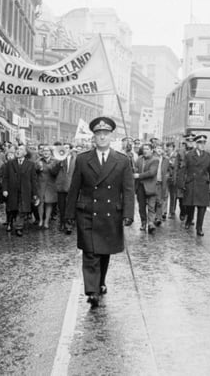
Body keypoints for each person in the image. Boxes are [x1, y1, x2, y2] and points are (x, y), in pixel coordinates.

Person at [65, 116, 134, 308]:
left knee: (104, 253)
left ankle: (100, 281)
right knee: (90, 253)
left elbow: (128, 189)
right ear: (93, 137)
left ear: (111, 136)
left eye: (105, 134)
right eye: (98, 134)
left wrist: (129, 213)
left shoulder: (122, 160)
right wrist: (68, 215)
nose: (102, 137)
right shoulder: (82, 159)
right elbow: (74, 189)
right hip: (87, 213)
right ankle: (92, 291)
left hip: (111, 213)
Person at [180, 134, 210, 236]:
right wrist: (181, 183)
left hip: (203, 184)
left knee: (202, 207)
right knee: (190, 205)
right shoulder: (189, 155)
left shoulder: (208, 156)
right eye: (200, 143)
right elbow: (183, 169)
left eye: (204, 143)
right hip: (191, 183)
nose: (202, 145)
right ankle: (189, 220)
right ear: (196, 144)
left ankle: (199, 228)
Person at [1, 144, 38, 237]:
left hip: (25, 190)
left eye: (21, 149)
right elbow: (5, 178)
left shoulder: (30, 164)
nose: (18, 151)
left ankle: (19, 227)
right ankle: (11, 222)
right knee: (13, 208)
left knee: (22, 210)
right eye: (17, 149)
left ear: (25, 153)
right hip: (12, 190)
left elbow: (33, 180)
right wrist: (4, 189)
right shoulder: (10, 163)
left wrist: (34, 193)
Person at [134, 142, 159, 233]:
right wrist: (134, 170)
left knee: (151, 206)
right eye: (144, 149)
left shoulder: (155, 160)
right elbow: (135, 168)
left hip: (151, 186)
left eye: (147, 149)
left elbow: (152, 173)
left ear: (152, 150)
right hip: (140, 187)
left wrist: (139, 175)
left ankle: (151, 223)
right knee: (141, 207)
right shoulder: (139, 159)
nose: (145, 151)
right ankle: (143, 223)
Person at [35, 144, 59, 229]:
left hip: (50, 185)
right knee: (40, 203)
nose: (46, 152)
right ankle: (41, 220)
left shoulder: (55, 161)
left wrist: (49, 167)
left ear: (50, 152)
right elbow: (34, 172)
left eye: (47, 151)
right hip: (40, 184)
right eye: (44, 151)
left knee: (49, 203)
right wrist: (38, 168)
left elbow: (55, 173)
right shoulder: (38, 160)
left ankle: (46, 221)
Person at [56, 143, 76, 234]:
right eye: (64, 147)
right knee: (61, 207)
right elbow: (53, 172)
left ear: (71, 149)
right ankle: (62, 223)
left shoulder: (76, 159)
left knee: (70, 207)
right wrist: (58, 164)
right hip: (61, 187)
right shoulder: (58, 159)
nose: (65, 149)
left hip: (71, 187)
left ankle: (69, 225)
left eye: (67, 148)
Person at [154, 143, 170, 224]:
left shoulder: (166, 159)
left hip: (161, 182)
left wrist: (167, 176)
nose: (159, 149)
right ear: (155, 149)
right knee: (153, 201)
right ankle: (153, 216)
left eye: (161, 148)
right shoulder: (152, 158)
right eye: (158, 148)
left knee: (160, 200)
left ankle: (158, 218)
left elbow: (169, 170)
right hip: (153, 182)